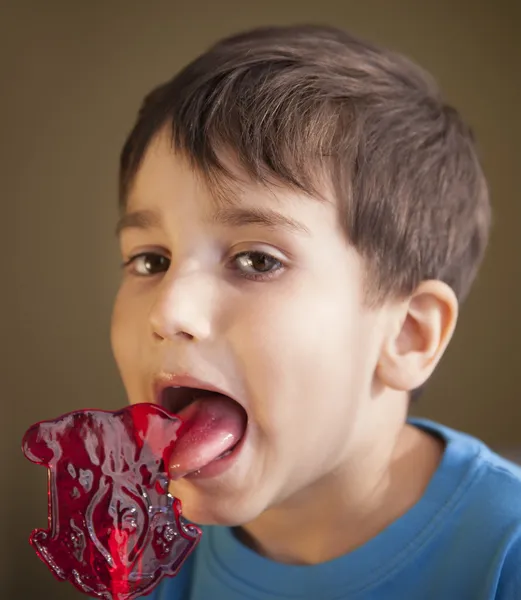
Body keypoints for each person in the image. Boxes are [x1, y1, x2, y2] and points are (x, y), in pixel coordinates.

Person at [109, 24, 521, 599]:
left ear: (406, 334)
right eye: (151, 261)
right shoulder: (145, 556)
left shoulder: (504, 553)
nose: (170, 310)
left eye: (256, 260)